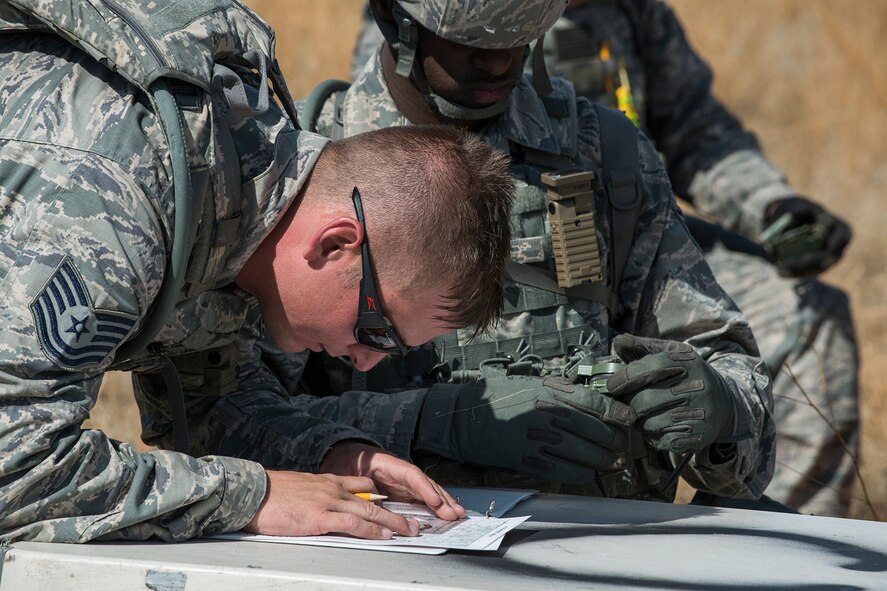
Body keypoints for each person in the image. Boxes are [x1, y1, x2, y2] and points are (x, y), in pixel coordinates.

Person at [0, 0, 521, 543]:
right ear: (336, 244)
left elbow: (209, 407)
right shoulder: (115, 196)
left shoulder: (248, 210)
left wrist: (335, 458)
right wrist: (252, 496)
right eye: (378, 330)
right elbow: (14, 462)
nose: (366, 360)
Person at [348, 0, 861, 518]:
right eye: (474, 41)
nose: (499, 61)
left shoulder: (608, 152)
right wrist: (434, 421)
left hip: (610, 539)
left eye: (521, 35)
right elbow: (267, 423)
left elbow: (720, 358)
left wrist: (723, 414)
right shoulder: (321, 165)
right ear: (396, 19)